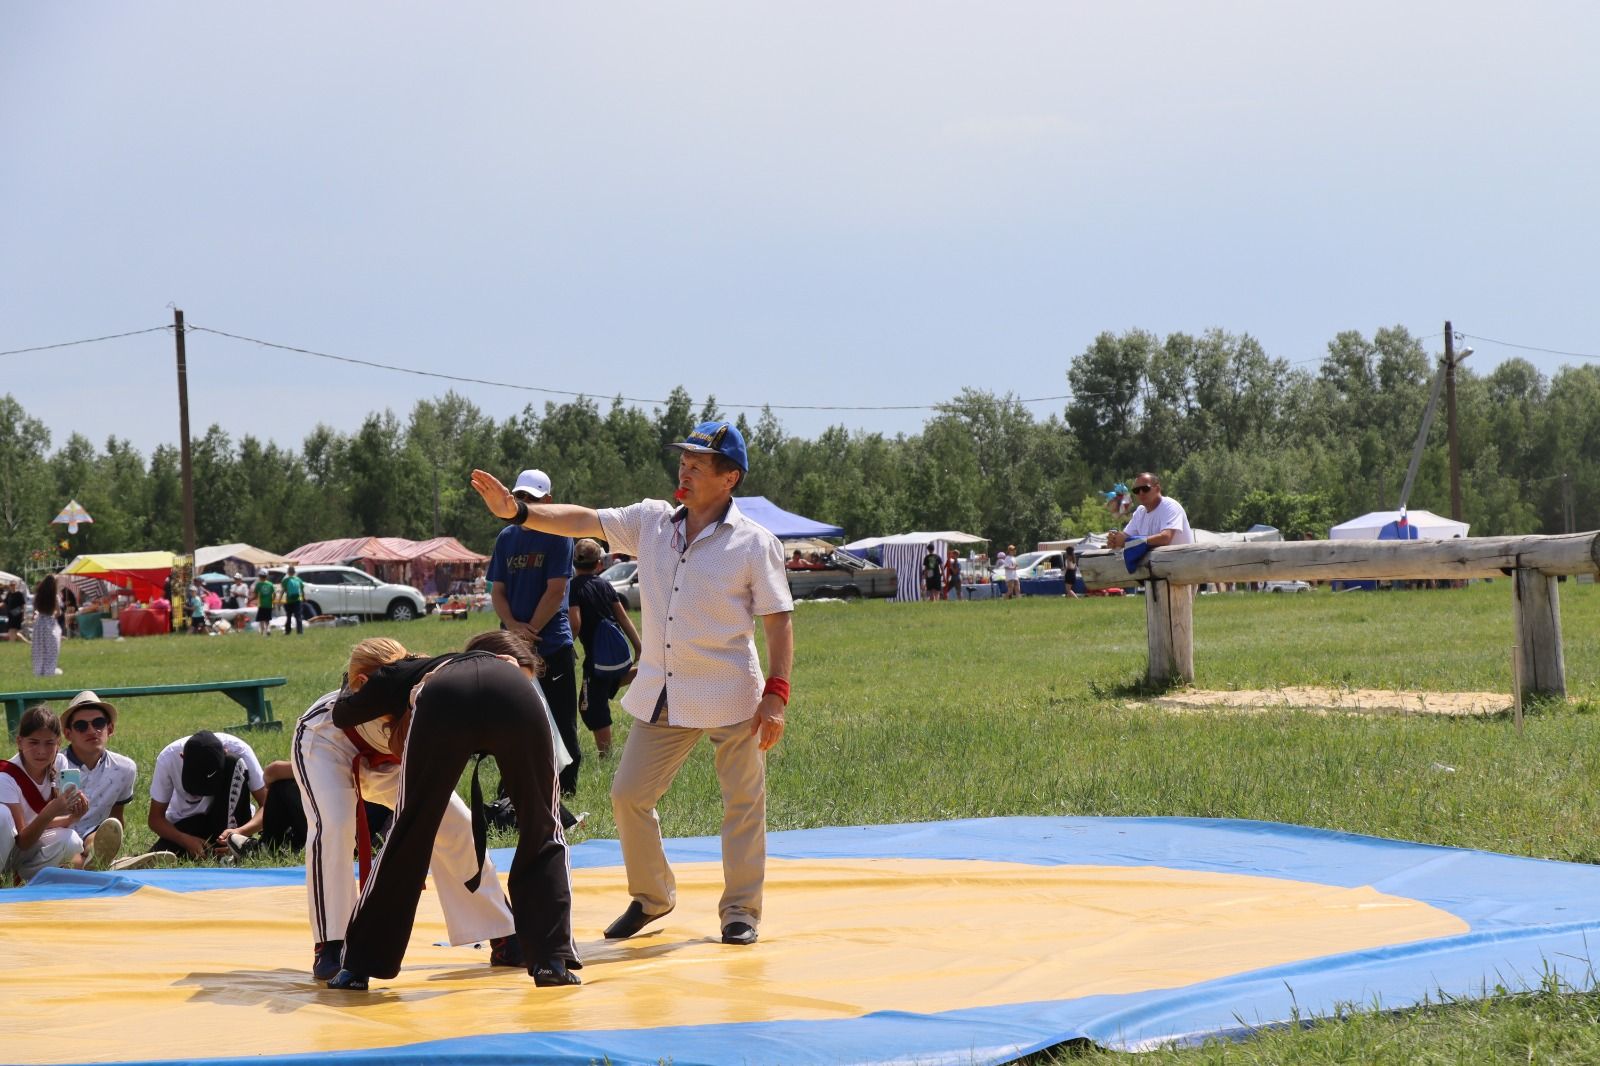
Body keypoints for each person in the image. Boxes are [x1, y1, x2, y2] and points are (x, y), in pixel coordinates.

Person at [469, 417, 794, 948]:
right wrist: (520, 512)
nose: (684, 471)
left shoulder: (755, 545)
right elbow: (582, 519)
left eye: (698, 464)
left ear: (730, 477)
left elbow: (780, 620)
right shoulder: (651, 522)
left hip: (733, 693)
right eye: (683, 461)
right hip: (664, 691)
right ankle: (652, 897)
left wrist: (776, 695)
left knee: (743, 803)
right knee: (627, 795)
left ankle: (740, 912)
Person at [324, 634, 579, 990]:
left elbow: (343, 714)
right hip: (515, 697)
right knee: (543, 828)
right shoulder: (507, 671)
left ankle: (359, 967)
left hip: (445, 701)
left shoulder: (403, 671)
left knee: (410, 831)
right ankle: (551, 960)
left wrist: (359, 688)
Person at [292, 636, 525, 982]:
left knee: (456, 822)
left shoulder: (427, 688)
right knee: (335, 826)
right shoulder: (354, 699)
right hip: (327, 743)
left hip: (392, 760)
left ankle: (502, 931)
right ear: (360, 686)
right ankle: (331, 942)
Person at [487, 468, 581, 796]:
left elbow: (556, 591)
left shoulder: (559, 534)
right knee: (513, 718)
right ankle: (510, 786)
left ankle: (565, 787)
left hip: (551, 642)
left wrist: (530, 631)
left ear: (548, 501)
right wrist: (513, 628)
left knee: (560, 717)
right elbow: (497, 590)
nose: (524, 502)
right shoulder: (506, 538)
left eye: (532, 498)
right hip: (512, 644)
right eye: (520, 496)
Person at [145, 731, 296, 859]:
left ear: (224, 751)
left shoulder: (239, 750)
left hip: (231, 819)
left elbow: (268, 806)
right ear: (182, 757)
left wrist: (240, 832)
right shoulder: (167, 758)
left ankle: (231, 847)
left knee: (234, 762)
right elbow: (155, 819)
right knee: (162, 852)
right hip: (187, 824)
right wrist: (185, 840)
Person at [568, 538, 643, 758]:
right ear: (599, 563)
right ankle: (649, 672)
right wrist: (639, 647)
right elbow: (623, 617)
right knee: (607, 683)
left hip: (595, 657)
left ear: (574, 563)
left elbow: (575, 622)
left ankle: (606, 754)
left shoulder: (573, 588)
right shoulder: (605, 584)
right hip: (614, 653)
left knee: (589, 706)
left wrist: (568, 644)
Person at [1, 705, 89, 883]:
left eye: (49, 743)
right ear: (19, 742)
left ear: (59, 744)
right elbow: (22, 840)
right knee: (2, 815)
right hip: (9, 846)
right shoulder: (6, 776)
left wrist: (72, 818)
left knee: (71, 840)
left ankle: (28, 878)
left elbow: (41, 825)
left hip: (23, 850)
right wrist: (51, 811)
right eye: (33, 742)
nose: (41, 751)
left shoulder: (60, 762)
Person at [59, 691, 136, 870]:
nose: (92, 730)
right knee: (73, 856)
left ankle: (99, 859)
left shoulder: (125, 768)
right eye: (81, 726)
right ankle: (106, 866)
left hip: (93, 834)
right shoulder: (54, 765)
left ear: (110, 729)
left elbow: (116, 817)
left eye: (99, 723)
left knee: (96, 839)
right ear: (68, 734)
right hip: (59, 835)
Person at [1106, 472, 1194, 551]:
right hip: (1159, 566)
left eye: (1145, 489)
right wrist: (1115, 539)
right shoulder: (1140, 512)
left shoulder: (1170, 506)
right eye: (1136, 490)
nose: (1140, 493)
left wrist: (1128, 542)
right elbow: (1126, 536)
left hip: (1181, 566)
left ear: (1157, 489)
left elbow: (1165, 538)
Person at [31, 574, 62, 676]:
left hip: (39, 623)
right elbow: (58, 612)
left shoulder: (38, 595)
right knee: (51, 649)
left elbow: (35, 609)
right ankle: (49, 670)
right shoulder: (54, 597)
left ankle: (38, 670)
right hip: (50, 623)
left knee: (39, 648)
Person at [281, 566, 306, 635]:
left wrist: (280, 599)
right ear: (294, 572)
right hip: (298, 600)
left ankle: (287, 631)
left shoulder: (285, 580)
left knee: (288, 616)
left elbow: (283, 591)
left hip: (289, 600)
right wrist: (304, 598)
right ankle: (300, 631)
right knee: (298, 616)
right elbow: (302, 590)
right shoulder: (299, 580)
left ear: (288, 572)